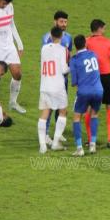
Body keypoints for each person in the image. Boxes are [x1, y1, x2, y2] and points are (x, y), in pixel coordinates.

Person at [86, 19, 110, 148]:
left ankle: (90, 140)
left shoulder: (86, 42)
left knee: (91, 108)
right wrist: (108, 67)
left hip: (92, 78)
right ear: (99, 29)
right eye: (104, 28)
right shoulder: (108, 42)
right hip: (106, 78)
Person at [42, 10, 73, 145]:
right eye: (61, 21)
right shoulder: (47, 38)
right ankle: (46, 134)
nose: (64, 24)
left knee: (61, 107)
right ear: (55, 22)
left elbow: (69, 54)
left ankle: (57, 134)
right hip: (52, 79)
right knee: (48, 108)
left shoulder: (68, 37)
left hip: (63, 79)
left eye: (65, 22)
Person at [69, 35, 104, 156]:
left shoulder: (74, 60)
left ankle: (79, 148)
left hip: (84, 92)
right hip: (99, 90)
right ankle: (93, 145)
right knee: (94, 115)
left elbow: (74, 82)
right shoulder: (93, 54)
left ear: (75, 46)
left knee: (76, 117)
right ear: (85, 44)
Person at [37, 27, 70, 153]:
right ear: (61, 36)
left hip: (45, 86)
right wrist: (71, 68)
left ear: (51, 35)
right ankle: (55, 143)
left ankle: (42, 146)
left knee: (44, 114)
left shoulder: (44, 48)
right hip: (58, 86)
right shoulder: (63, 50)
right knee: (63, 112)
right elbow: (64, 70)